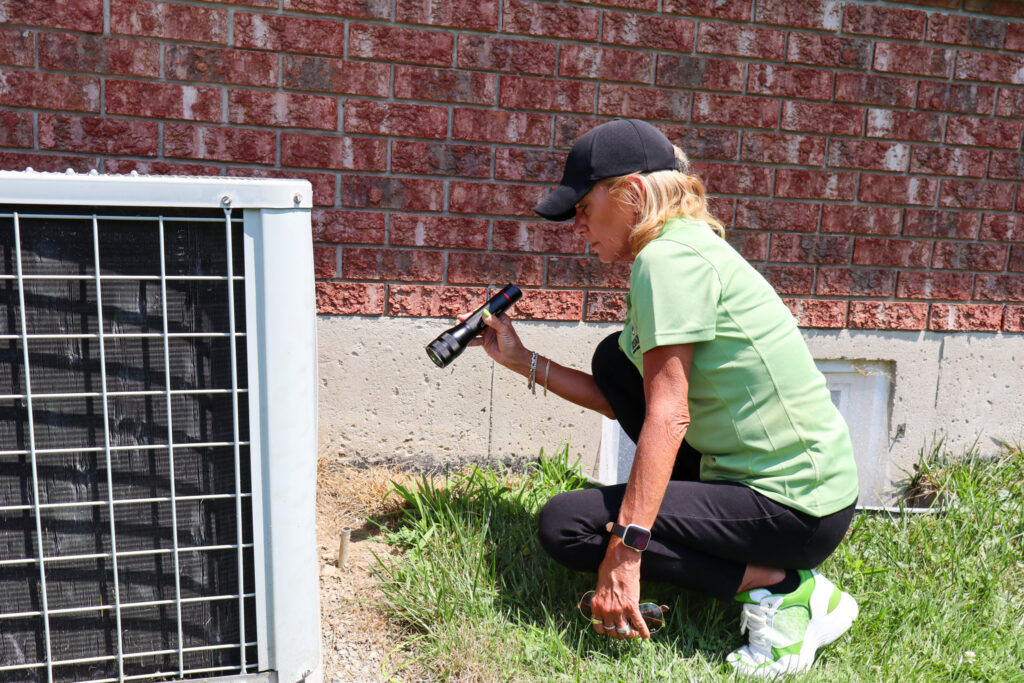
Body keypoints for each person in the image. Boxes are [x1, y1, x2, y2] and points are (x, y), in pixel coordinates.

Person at [464, 118, 860, 678]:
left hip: (793, 509)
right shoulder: (683, 248)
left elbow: (669, 416)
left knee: (567, 526)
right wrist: (522, 361)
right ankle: (767, 572)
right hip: (792, 488)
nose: (577, 225)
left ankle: (787, 589)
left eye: (582, 207)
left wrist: (626, 551)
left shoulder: (666, 261)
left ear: (633, 192)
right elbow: (634, 401)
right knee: (613, 357)